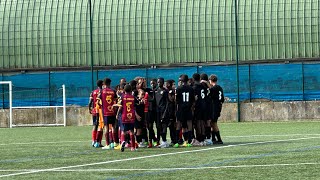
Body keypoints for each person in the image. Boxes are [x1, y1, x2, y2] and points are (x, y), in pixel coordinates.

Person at [118, 84, 141, 152]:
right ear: (131, 90)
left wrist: (117, 114)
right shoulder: (133, 97)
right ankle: (133, 147)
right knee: (131, 131)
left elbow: (120, 106)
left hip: (124, 116)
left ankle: (123, 141)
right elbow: (138, 103)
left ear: (124, 90)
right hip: (131, 116)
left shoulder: (122, 97)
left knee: (124, 131)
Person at [175, 74, 195, 147]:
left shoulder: (179, 88)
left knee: (179, 124)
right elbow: (193, 100)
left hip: (181, 108)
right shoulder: (191, 88)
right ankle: (189, 141)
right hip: (188, 108)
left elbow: (176, 100)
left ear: (181, 80)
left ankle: (177, 141)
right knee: (189, 123)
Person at [101, 78, 118, 150]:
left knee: (106, 127)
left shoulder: (102, 91)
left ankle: (108, 144)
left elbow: (99, 100)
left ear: (104, 84)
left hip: (105, 112)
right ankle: (114, 143)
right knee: (113, 127)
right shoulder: (113, 91)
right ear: (110, 83)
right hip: (112, 111)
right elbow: (116, 100)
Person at [192, 73, 208, 146]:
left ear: (193, 79)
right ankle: (203, 138)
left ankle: (199, 139)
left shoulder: (194, 87)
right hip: (204, 106)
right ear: (200, 79)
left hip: (198, 106)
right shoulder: (203, 86)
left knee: (198, 123)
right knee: (202, 122)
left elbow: (194, 98)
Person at [208, 74, 224, 144]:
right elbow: (222, 99)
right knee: (212, 122)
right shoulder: (220, 88)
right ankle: (213, 138)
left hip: (214, 107)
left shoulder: (214, 88)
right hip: (218, 106)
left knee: (213, 123)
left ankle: (219, 139)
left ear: (210, 81)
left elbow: (209, 94)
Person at [88, 80, 104, 147]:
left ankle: (93, 141)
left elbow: (90, 102)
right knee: (101, 126)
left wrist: (89, 108)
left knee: (95, 125)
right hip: (100, 111)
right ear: (102, 84)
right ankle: (99, 142)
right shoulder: (103, 92)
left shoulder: (93, 92)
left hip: (95, 110)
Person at [155, 77, 169, 148]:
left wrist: (165, 112)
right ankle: (163, 140)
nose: (158, 83)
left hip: (163, 111)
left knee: (164, 126)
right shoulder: (156, 90)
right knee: (158, 126)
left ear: (163, 83)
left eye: (160, 82)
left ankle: (164, 141)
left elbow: (167, 102)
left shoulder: (165, 91)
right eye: (158, 82)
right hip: (157, 111)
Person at [146, 79, 158, 148]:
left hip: (156, 111)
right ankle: (151, 141)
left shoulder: (158, 90)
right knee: (149, 126)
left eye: (153, 83)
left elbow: (154, 99)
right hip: (150, 111)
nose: (152, 84)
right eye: (151, 83)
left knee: (158, 126)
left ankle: (158, 141)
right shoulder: (149, 90)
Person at [164, 79, 177, 146]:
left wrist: (170, 94)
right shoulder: (165, 91)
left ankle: (175, 140)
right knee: (170, 126)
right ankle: (173, 140)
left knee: (173, 126)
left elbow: (172, 100)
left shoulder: (172, 91)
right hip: (168, 111)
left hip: (172, 111)